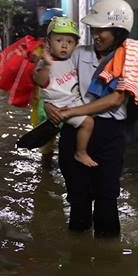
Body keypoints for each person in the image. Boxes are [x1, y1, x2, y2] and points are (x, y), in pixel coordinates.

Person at [43, 0, 138, 238]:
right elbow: (56, 81)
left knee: (106, 200)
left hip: (108, 135)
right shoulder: (78, 54)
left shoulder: (129, 59)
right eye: (94, 28)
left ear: (118, 31)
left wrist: (69, 112)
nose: (96, 34)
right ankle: (79, 261)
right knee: (78, 200)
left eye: (102, 29)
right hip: (75, 132)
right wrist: (49, 104)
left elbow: (115, 99)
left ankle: (108, 263)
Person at [32, 17, 97, 167]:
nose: (64, 45)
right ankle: (81, 152)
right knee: (88, 122)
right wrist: (47, 65)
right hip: (60, 107)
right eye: (59, 40)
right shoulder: (46, 62)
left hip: (72, 103)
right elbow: (40, 81)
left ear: (76, 45)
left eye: (69, 42)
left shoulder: (74, 59)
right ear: (49, 43)